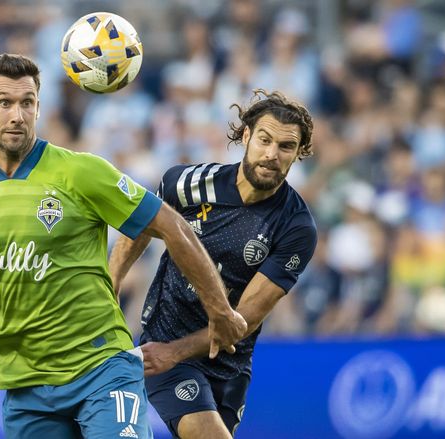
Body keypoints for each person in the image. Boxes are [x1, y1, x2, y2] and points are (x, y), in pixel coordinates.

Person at [0, 53, 248, 438]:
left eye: (27, 102)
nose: (17, 115)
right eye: (5, 103)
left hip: (100, 366)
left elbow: (173, 227)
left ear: (39, 107)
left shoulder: (80, 171)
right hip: (26, 382)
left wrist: (219, 310)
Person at [109, 89, 318, 438]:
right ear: (247, 136)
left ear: (298, 154)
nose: (271, 154)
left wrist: (175, 353)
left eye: (285, 147)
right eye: (264, 140)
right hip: (164, 339)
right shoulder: (188, 182)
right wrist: (110, 286)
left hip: (229, 363)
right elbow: (140, 225)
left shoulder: (296, 227)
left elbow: (244, 320)